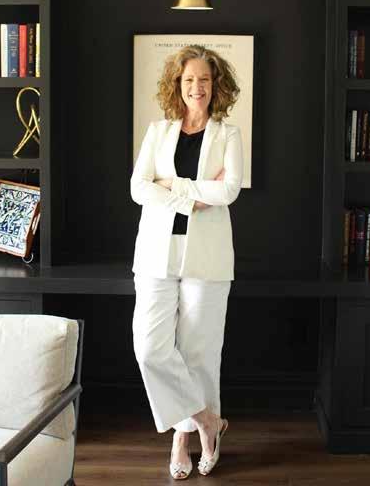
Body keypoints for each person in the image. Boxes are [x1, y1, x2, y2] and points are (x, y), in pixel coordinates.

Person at [130, 44, 243, 479]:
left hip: (208, 257)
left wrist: (171, 187)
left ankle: (185, 438)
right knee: (149, 348)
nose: (197, 87)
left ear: (216, 86)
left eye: (205, 80)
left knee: (199, 352)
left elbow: (228, 190)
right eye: (189, 79)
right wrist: (195, 194)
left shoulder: (228, 134)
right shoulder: (157, 131)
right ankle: (206, 420)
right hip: (155, 253)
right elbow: (139, 188)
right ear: (177, 84)